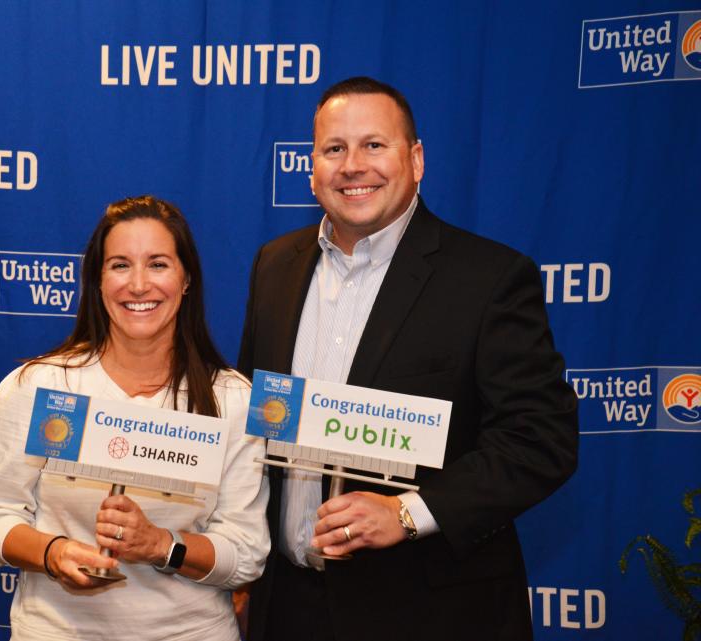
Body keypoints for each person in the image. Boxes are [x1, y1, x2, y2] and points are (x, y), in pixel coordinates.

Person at [238, 77, 578, 640]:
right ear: (313, 166)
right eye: (334, 149)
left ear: (415, 160)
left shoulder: (488, 278)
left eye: (375, 145)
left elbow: (542, 440)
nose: (353, 166)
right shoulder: (274, 266)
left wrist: (407, 513)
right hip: (288, 607)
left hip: (428, 613)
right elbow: (259, 421)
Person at [0, 195, 269, 641]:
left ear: (186, 280)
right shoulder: (42, 388)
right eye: (120, 265)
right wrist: (54, 553)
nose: (139, 285)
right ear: (98, 280)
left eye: (159, 264)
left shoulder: (233, 402)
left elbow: (244, 554)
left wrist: (161, 545)